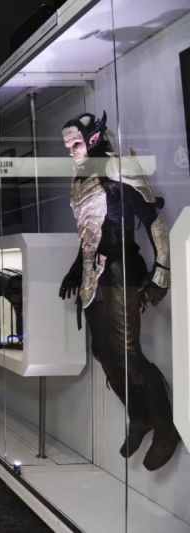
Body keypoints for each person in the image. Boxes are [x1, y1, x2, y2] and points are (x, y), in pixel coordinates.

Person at [58, 111, 180, 471]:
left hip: (123, 270)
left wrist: (162, 271)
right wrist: (75, 270)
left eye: (75, 143)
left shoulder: (118, 168)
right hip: (94, 274)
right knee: (103, 352)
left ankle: (166, 428)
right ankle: (140, 415)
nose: (71, 150)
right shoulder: (81, 178)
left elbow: (154, 222)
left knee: (127, 353)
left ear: (93, 138)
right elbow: (89, 235)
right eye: (68, 145)